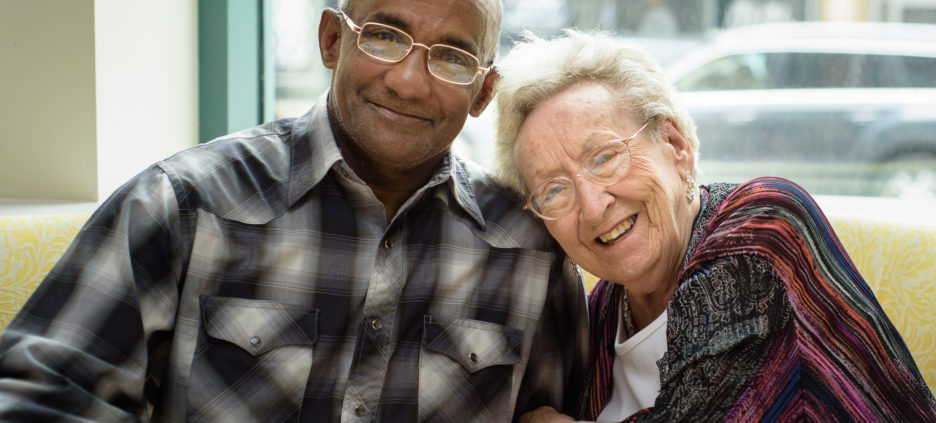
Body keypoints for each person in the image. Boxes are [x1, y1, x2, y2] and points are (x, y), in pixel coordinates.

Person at [0, 0, 588, 421]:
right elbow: (45, 398)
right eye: (384, 35)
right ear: (333, 40)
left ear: (483, 93)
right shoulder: (182, 206)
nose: (409, 83)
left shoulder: (531, 253)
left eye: (453, 59)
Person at [492, 30, 936, 422]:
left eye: (606, 157)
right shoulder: (602, 311)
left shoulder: (763, 229)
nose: (592, 207)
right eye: (555, 191)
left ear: (675, 145)